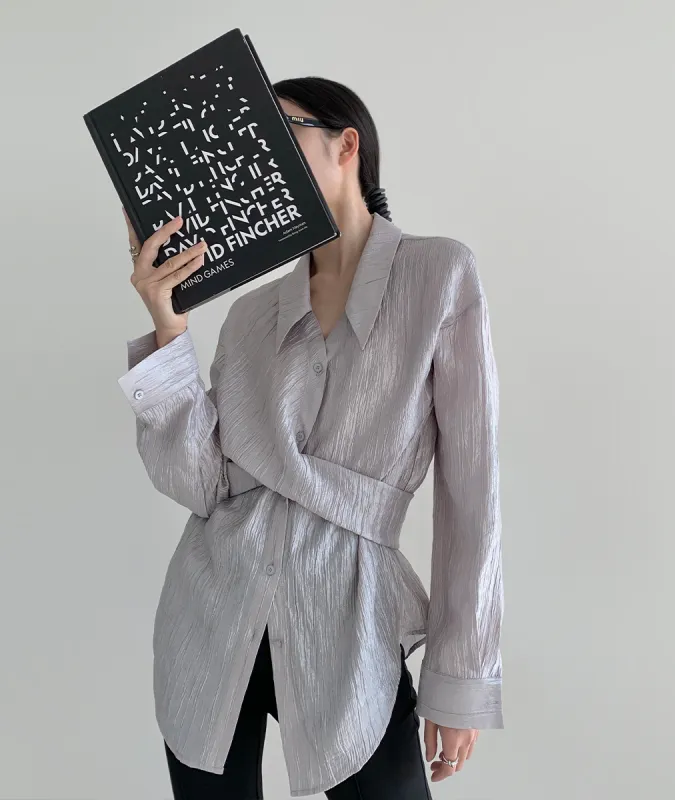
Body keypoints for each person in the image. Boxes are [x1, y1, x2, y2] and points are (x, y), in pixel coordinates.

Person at [119, 76, 503, 800]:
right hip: (211, 612)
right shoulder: (252, 314)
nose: (260, 161)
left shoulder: (439, 275)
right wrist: (169, 326)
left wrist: (460, 679)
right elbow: (201, 484)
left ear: (345, 145)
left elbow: (471, 493)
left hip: (349, 623)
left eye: (278, 134)